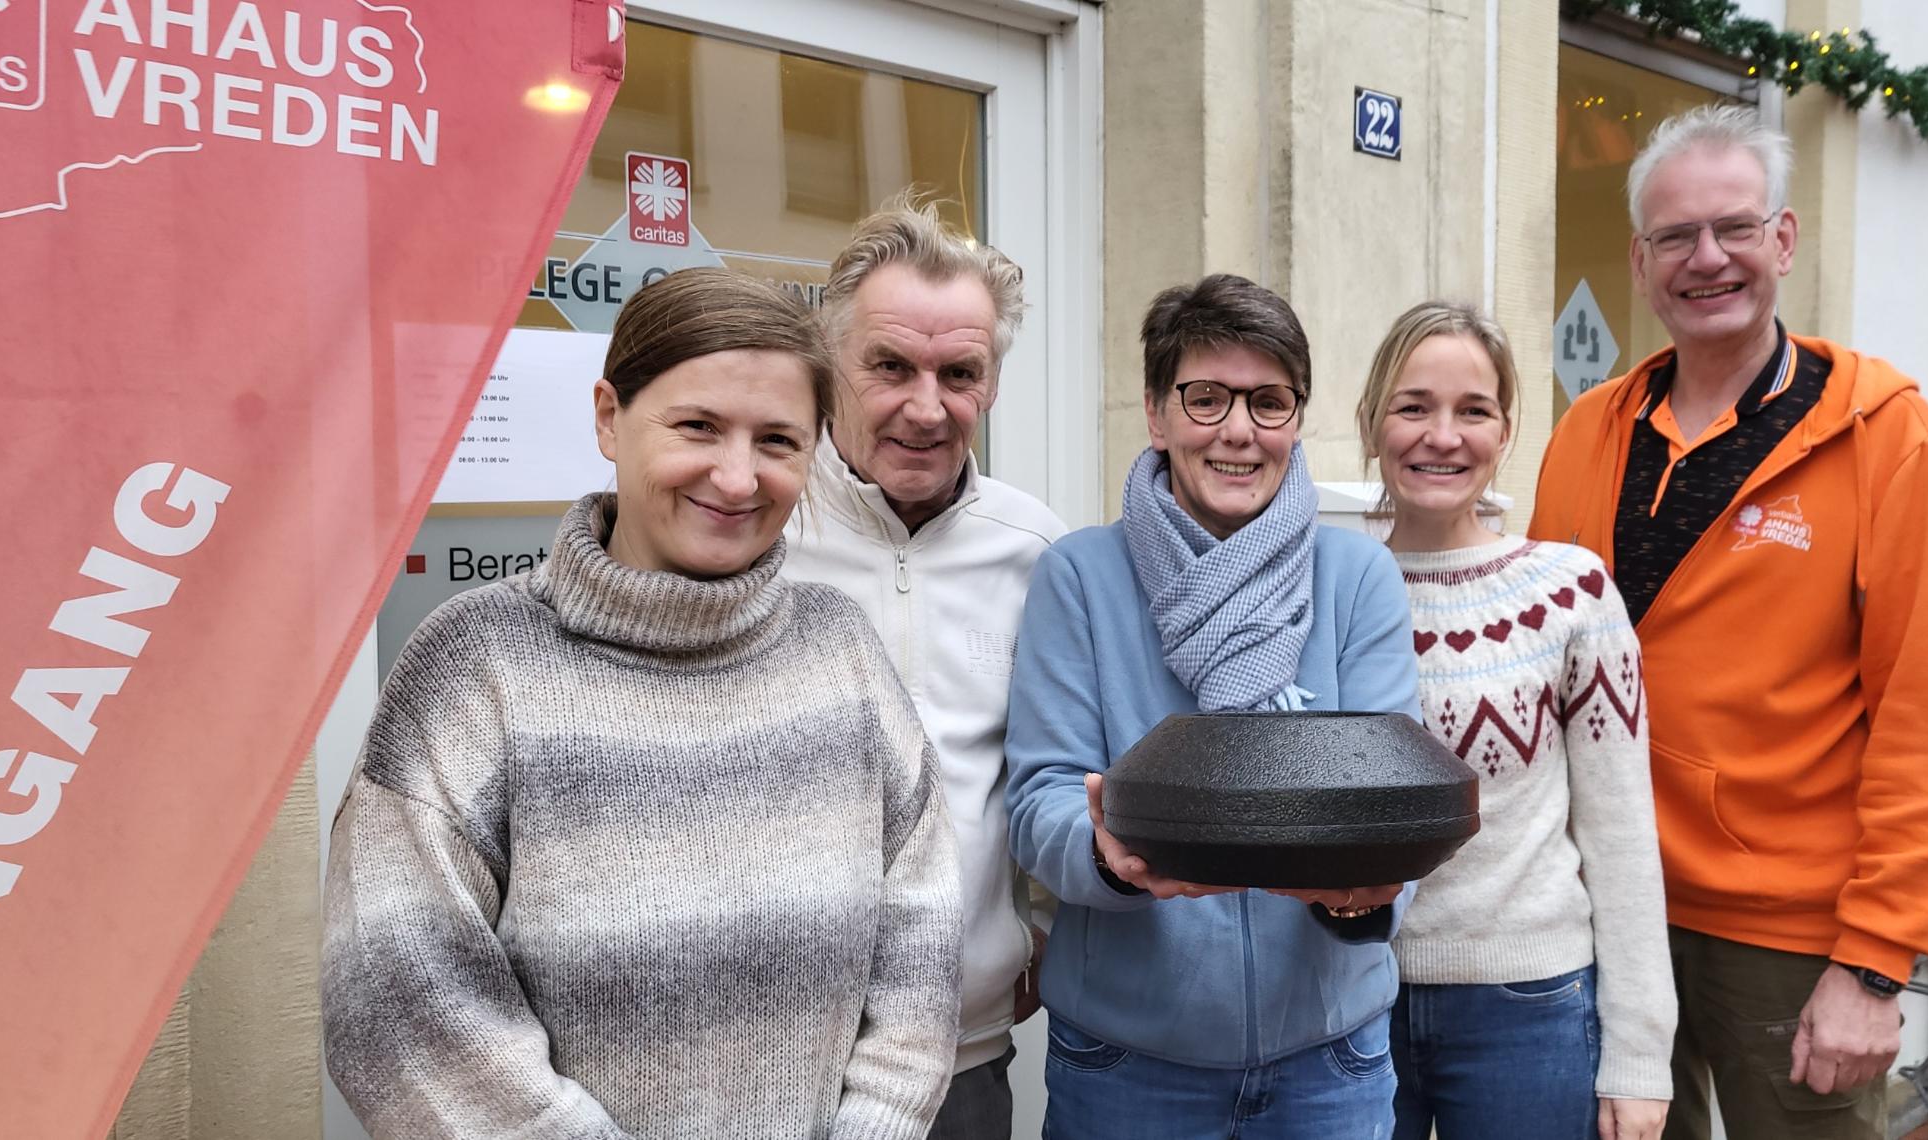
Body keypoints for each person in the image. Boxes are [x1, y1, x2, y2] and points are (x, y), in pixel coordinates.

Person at [323, 269, 962, 1139]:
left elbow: (921, 938)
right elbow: (401, 1003)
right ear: (608, 417)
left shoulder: (840, 650)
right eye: (698, 426)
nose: (736, 478)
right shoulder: (476, 665)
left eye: (777, 440)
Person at [1528, 104, 1928, 1140]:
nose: (1707, 258)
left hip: (1787, 941)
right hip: (1605, 911)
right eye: (1674, 237)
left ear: (1782, 240)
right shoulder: (1588, 431)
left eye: (1734, 227)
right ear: (1641, 263)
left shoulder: (1882, 436)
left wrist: (1874, 963)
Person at [1006, 273, 1420, 1140]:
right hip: (1129, 1064)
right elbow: (1041, 798)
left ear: (1296, 418)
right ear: (1156, 415)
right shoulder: (1081, 577)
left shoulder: (1355, 579)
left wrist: (1361, 891)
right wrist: (1111, 858)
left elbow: (1397, 795)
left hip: (1329, 1058)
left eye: (1269, 401)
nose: (1239, 430)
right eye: (1206, 398)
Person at [782, 196, 1067, 1140]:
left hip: (962, 1057)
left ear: (993, 384)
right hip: (763, 1054)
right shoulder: (757, 530)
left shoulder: (1036, 551)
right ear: (830, 362)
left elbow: (1057, 762)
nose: (926, 406)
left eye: (960, 374)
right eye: (890, 366)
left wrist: (1039, 932)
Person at [1356, 301, 1675, 1140]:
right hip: (1349, 1003)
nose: (1443, 436)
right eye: (1414, 406)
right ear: (1373, 421)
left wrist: (1640, 1058)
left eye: (1473, 410)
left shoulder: (1569, 592)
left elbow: (1620, 833)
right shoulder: (1334, 592)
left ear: (1504, 432)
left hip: (1529, 1009)